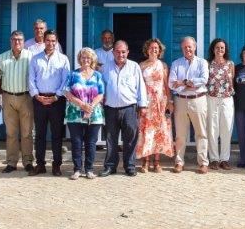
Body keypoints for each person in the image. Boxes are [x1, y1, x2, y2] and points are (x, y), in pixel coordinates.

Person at [101, 40, 148, 176]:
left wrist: (143, 105)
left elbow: (141, 87)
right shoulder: (106, 67)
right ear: (113, 52)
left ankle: (130, 166)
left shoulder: (134, 67)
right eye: (117, 51)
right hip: (110, 108)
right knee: (111, 139)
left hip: (129, 108)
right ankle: (110, 166)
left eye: (123, 52)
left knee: (130, 138)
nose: (120, 54)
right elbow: (101, 87)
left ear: (127, 52)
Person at [0, 31, 34, 173]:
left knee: (27, 132)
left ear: (23, 41)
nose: (17, 42)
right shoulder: (2, 58)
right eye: (14, 39)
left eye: (20, 40)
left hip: (26, 97)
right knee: (11, 133)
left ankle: (28, 162)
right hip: (8, 97)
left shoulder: (31, 57)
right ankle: (11, 162)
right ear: (10, 41)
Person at [29, 30, 71, 176]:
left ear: (57, 41)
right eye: (48, 40)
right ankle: (40, 164)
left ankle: (56, 165)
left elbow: (66, 80)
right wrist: (36, 95)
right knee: (39, 134)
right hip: (39, 100)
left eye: (53, 41)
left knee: (57, 134)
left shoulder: (63, 59)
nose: (51, 43)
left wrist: (57, 96)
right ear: (44, 40)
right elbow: (31, 79)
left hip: (56, 101)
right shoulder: (35, 59)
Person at [170, 36, 210, 174]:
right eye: (185, 47)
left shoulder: (202, 62)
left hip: (198, 100)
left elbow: (204, 79)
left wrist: (184, 82)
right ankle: (179, 162)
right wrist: (191, 84)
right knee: (180, 134)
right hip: (180, 100)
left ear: (195, 47)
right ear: (182, 48)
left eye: (190, 47)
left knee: (201, 133)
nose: (187, 49)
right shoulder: (176, 63)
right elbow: (171, 83)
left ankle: (203, 163)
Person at [64, 48, 106, 179]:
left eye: (88, 58)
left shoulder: (98, 75)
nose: (86, 60)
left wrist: (90, 107)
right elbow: (66, 92)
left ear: (92, 59)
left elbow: (101, 93)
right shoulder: (72, 75)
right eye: (83, 57)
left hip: (94, 113)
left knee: (91, 142)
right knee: (76, 142)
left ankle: (89, 169)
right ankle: (77, 169)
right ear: (79, 59)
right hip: (75, 113)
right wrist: (82, 105)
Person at [137, 38, 174, 172]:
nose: (154, 50)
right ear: (147, 50)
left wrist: (170, 102)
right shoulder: (141, 66)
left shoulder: (163, 66)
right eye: (151, 48)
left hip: (160, 102)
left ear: (159, 51)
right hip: (146, 102)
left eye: (156, 48)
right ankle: (145, 162)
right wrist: (140, 104)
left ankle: (157, 162)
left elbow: (166, 85)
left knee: (159, 131)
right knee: (146, 131)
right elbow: (139, 86)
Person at [206, 38, 235, 170]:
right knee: (212, 129)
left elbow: (231, 81)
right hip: (211, 98)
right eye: (217, 47)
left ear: (225, 50)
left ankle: (224, 159)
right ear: (213, 49)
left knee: (226, 129)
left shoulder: (230, 64)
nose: (219, 50)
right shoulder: (208, 64)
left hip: (227, 99)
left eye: (222, 48)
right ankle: (213, 159)